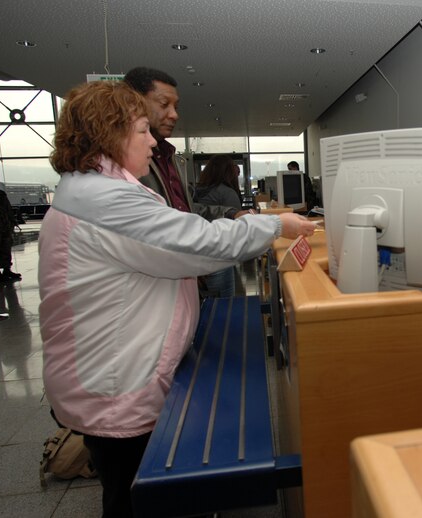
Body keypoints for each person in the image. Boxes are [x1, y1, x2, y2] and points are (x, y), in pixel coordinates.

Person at [39, 80, 315, 517]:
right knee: (134, 499)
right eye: (143, 130)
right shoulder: (106, 201)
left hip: (106, 371)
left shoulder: (96, 192)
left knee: (127, 489)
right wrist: (274, 226)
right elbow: (195, 246)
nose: (153, 141)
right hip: (116, 385)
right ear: (110, 134)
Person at [123, 66, 240, 221]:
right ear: (134, 103)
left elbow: (184, 210)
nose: (174, 115)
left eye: (176, 107)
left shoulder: (171, 157)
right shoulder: (124, 162)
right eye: (164, 104)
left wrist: (231, 213)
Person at [193, 154, 247, 296]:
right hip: (220, 256)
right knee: (225, 305)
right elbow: (236, 228)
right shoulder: (227, 193)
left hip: (197, 255)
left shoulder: (196, 192)